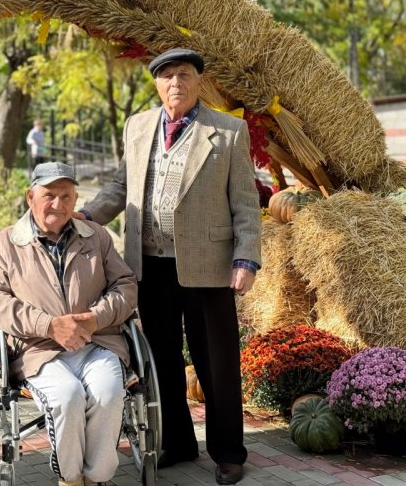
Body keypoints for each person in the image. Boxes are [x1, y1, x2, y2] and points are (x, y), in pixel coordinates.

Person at [76, 48, 262, 486]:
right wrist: (86, 216)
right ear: (156, 84)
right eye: (166, 76)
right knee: (160, 361)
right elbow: (121, 186)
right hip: (150, 266)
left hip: (208, 266)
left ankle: (229, 451)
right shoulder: (138, 127)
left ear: (199, 81)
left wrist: (246, 257)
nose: (175, 83)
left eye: (184, 75)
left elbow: (246, 203)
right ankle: (177, 441)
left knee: (215, 361)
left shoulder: (228, 131)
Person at [0, 162, 138, 486]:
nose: (58, 204)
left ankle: (94, 478)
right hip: (39, 351)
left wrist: (96, 318)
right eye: (49, 195)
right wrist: (49, 325)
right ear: (30, 197)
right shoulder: (4, 244)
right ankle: (70, 478)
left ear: (76, 199)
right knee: (68, 396)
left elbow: (126, 285)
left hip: (98, 343)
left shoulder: (97, 238)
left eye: (67, 196)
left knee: (108, 393)